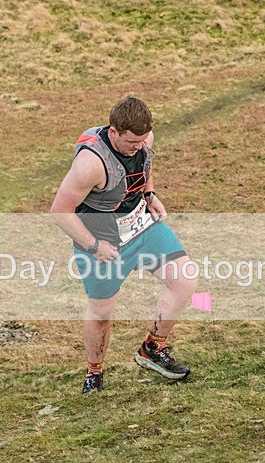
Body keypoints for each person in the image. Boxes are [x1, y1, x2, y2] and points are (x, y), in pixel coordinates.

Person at [51, 97, 198, 394]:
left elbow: (146, 163)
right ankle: (94, 372)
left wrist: (149, 194)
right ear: (114, 131)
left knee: (185, 280)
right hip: (102, 243)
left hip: (141, 228)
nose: (138, 146)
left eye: (143, 140)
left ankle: (153, 350)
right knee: (102, 313)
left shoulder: (143, 141)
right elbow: (59, 211)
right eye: (132, 141)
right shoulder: (90, 164)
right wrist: (94, 247)